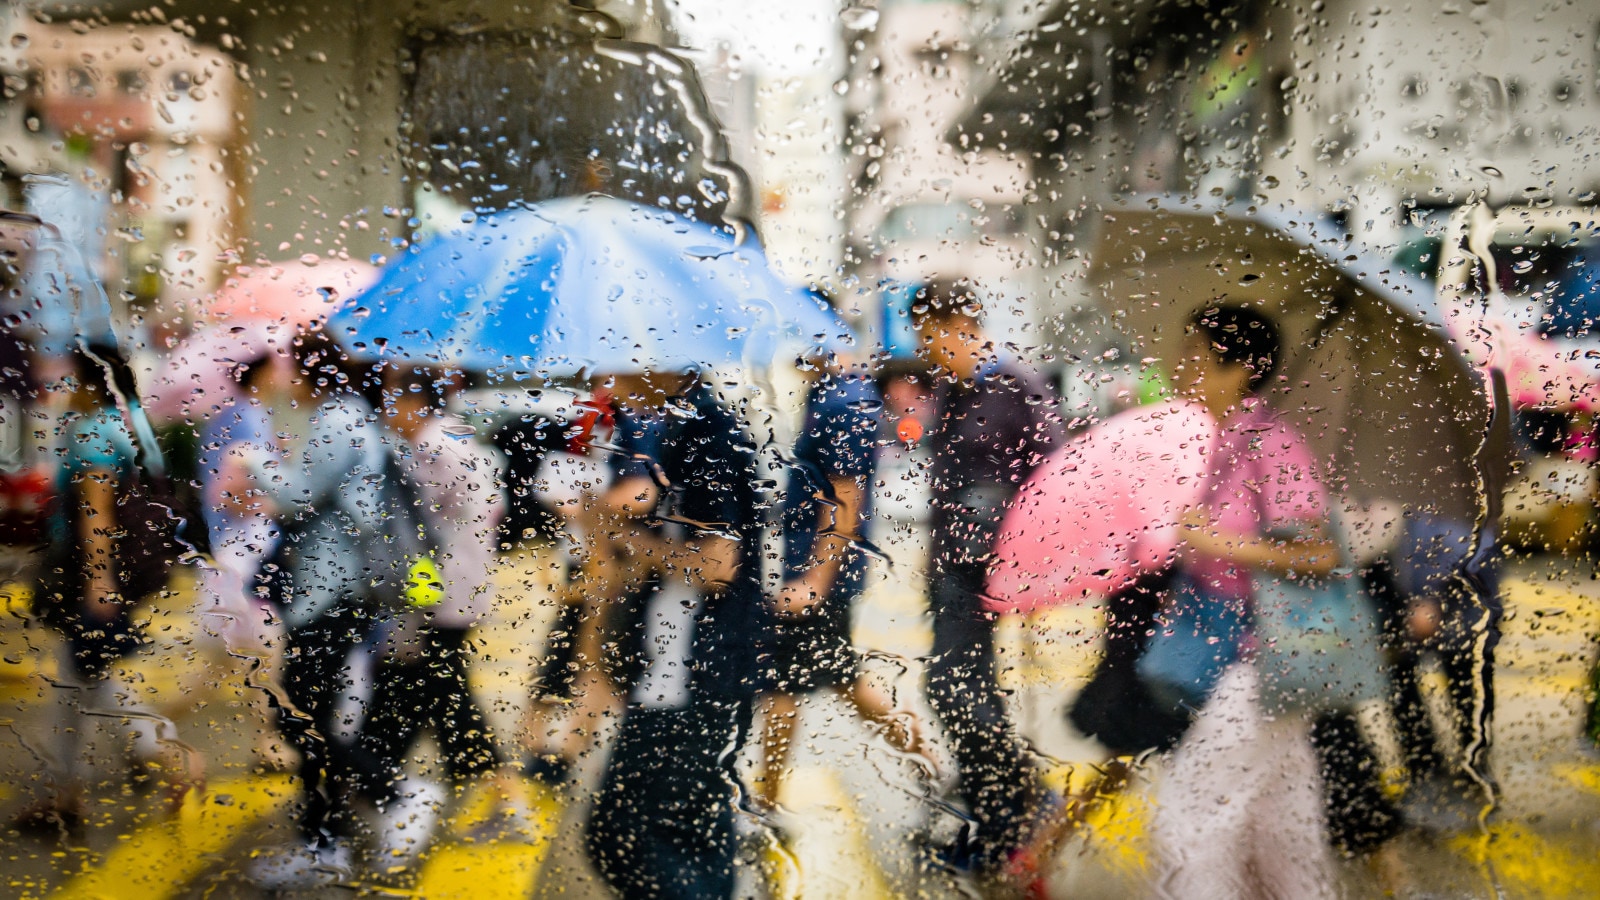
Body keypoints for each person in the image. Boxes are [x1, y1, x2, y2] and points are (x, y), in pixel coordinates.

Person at [1150, 304, 1342, 899]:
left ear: (1242, 371)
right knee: (1281, 832)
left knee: (1186, 819)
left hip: (1268, 659)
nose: (1182, 369)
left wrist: (1218, 542)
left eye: (1198, 359)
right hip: (1236, 655)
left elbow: (1320, 554)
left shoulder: (1273, 444)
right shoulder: (1215, 442)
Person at [580, 365, 765, 899]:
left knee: (631, 834)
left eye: (622, 355)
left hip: (697, 673)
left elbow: (718, 565)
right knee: (693, 833)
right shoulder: (668, 429)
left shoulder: (711, 434)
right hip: (671, 667)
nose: (610, 376)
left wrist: (632, 541)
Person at [911, 279, 1065, 879]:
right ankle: (1006, 812)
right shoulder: (950, 390)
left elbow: (1054, 474)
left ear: (964, 325)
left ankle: (1017, 813)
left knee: (957, 693)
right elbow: (947, 482)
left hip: (995, 568)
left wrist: (1032, 563)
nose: (930, 351)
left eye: (935, 337)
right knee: (963, 694)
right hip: (953, 565)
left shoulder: (1016, 386)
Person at [227, 331, 390, 888]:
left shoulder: (338, 418)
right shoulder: (345, 415)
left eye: (291, 361)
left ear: (313, 366)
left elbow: (297, 494)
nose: (284, 373)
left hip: (331, 590)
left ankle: (355, 818)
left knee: (304, 717)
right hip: (336, 586)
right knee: (308, 714)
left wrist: (254, 460)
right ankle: (333, 831)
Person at [16, 344, 199, 835]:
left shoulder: (91, 432)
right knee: (84, 678)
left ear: (89, 383)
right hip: (120, 573)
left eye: (69, 381)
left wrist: (101, 580)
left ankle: (160, 757)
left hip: (91, 575)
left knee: (81, 677)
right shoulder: (128, 425)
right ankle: (68, 795)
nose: (64, 391)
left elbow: (97, 513)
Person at [352, 365, 522, 864]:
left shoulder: (431, 449)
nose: (385, 411)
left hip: (438, 592)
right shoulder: (455, 439)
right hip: (453, 586)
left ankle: (386, 787)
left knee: (441, 693)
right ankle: (376, 785)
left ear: (415, 405)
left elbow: (415, 528)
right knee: (425, 692)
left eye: (392, 400)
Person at [754, 353, 928, 813]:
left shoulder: (844, 400)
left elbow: (845, 493)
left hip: (819, 573)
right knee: (842, 681)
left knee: (782, 689)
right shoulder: (827, 394)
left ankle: (764, 804)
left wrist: (814, 578)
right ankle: (926, 761)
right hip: (813, 569)